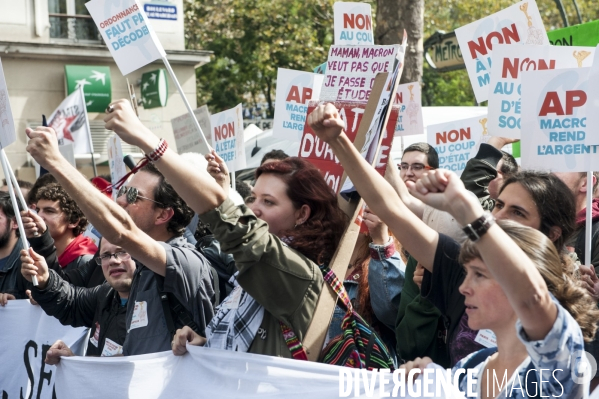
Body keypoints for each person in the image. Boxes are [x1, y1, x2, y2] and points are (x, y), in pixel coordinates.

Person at [307, 103, 577, 365]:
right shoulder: (462, 270)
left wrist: (463, 207)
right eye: (497, 205)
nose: (499, 217)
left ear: (552, 233)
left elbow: (528, 292)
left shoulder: (557, 317)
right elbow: (391, 208)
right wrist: (338, 140)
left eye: (517, 212)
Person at [100, 99, 355, 360]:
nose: (253, 208)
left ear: (302, 214)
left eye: (268, 202)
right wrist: (207, 345)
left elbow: (233, 224)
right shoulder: (251, 277)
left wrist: (146, 138)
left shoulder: (298, 273)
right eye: (253, 198)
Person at [25, 127, 216, 357]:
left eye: (134, 196)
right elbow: (73, 302)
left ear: (163, 215)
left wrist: (56, 161)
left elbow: (121, 231)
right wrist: (45, 280)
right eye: (124, 191)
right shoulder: (137, 273)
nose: (121, 200)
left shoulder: (187, 262)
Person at [20, 236, 134, 360]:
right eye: (106, 255)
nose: (113, 260)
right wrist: (45, 281)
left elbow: (132, 365)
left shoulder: (155, 302)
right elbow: (71, 302)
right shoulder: (105, 294)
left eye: (122, 252)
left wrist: (81, 364)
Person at [34, 183, 97, 271]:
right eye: (37, 210)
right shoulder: (36, 255)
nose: (38, 216)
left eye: (49, 211)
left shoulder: (87, 261)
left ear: (73, 221)